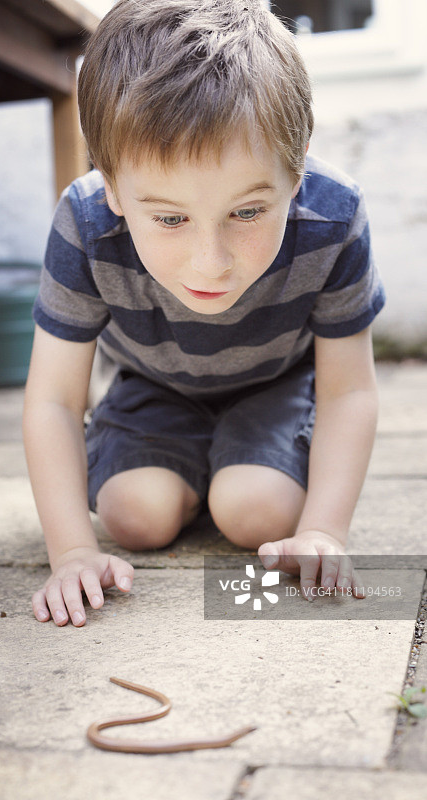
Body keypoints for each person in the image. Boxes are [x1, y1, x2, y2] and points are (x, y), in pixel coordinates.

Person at [23, 0, 385, 627]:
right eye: (169, 219)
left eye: (246, 212)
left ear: (295, 174)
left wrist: (324, 530)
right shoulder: (84, 223)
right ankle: (186, 464)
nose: (209, 264)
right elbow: (53, 399)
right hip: (153, 387)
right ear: (111, 186)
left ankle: (238, 465)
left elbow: (350, 390)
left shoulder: (336, 216)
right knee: (136, 517)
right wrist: (73, 552)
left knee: (260, 514)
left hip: (276, 385)